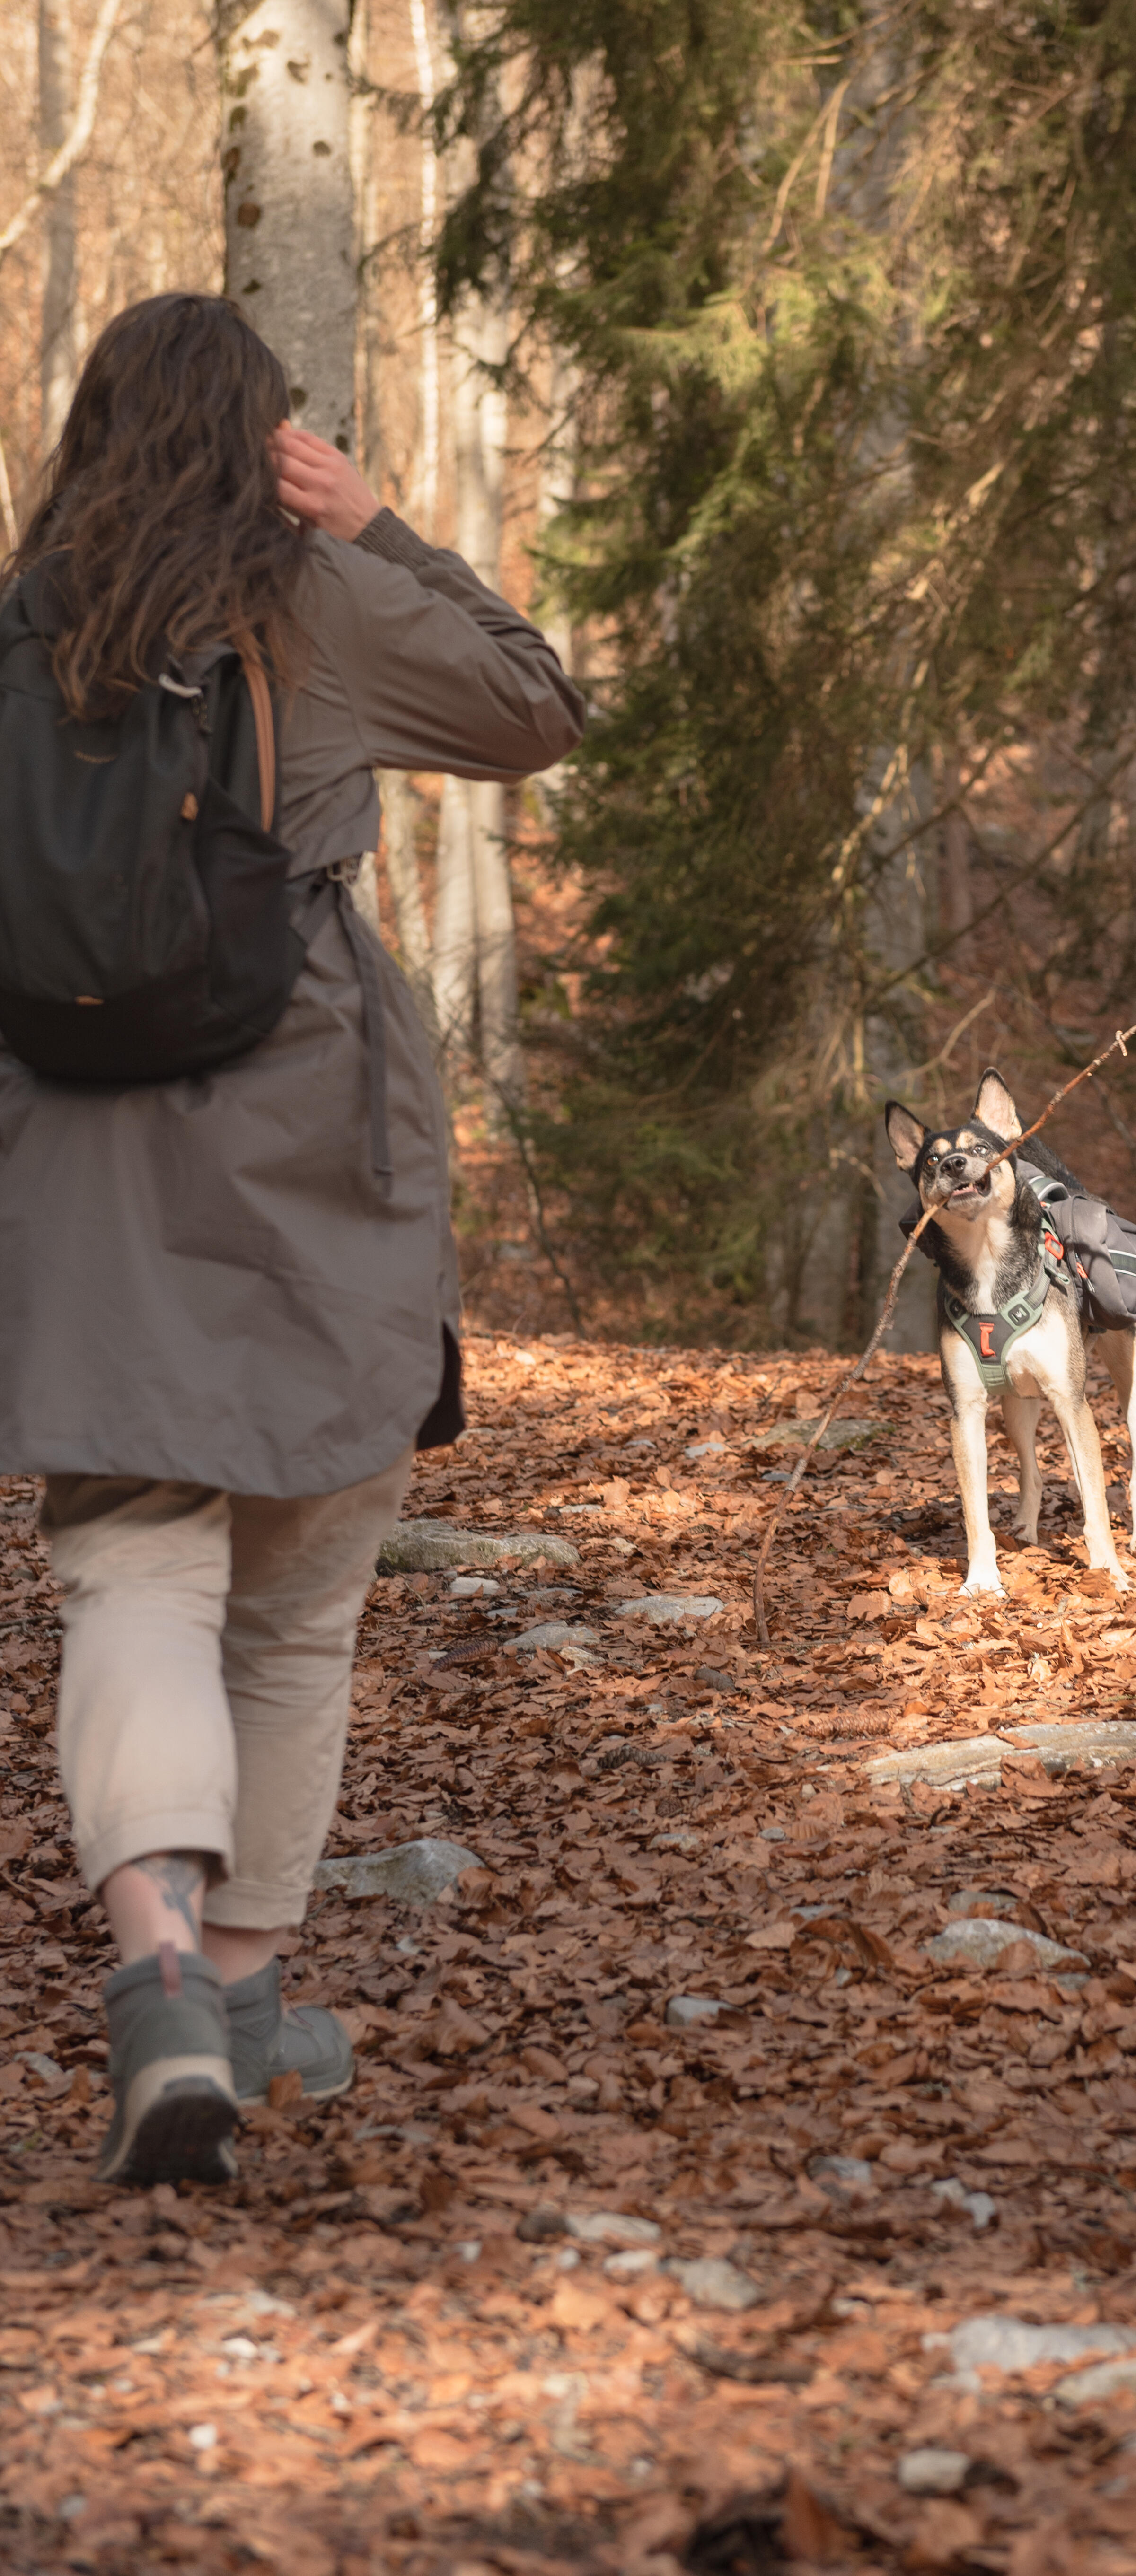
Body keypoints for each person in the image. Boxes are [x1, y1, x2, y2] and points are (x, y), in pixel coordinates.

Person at [0, 293, 583, 2187]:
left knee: (133, 1577)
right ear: (266, 444)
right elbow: (538, 706)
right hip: (313, 1139)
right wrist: (378, 529)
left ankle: (159, 1975)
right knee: (302, 1604)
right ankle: (240, 2013)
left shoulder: (23, 631)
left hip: (77, 1168)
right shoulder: (317, 603)